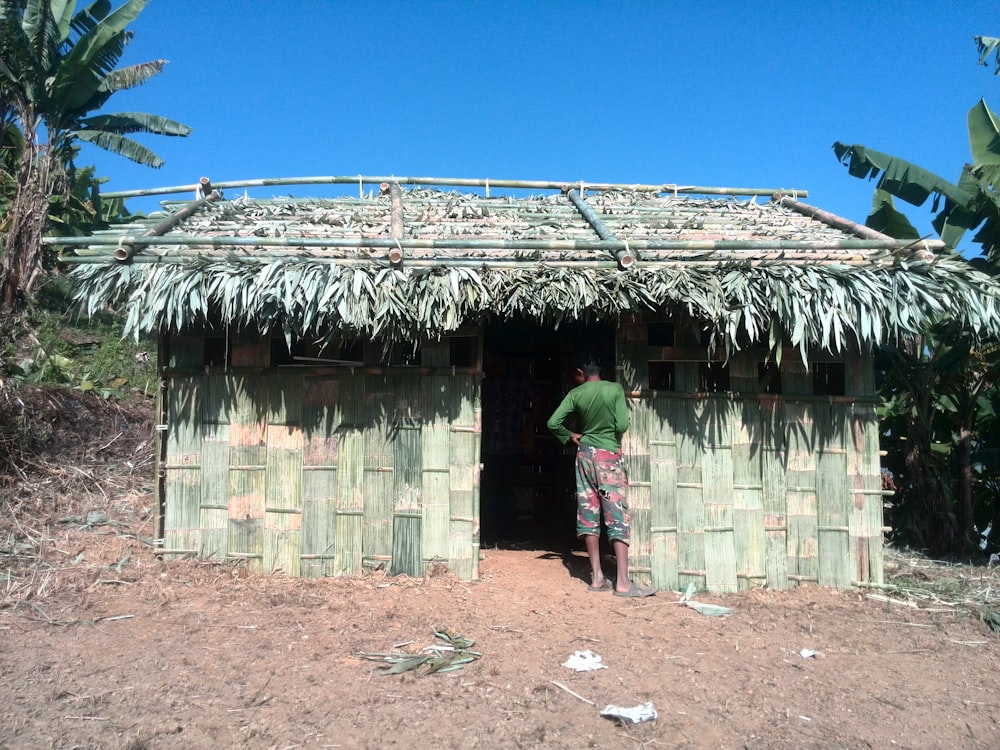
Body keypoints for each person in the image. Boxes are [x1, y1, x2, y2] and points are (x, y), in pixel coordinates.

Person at [546, 353, 654, 597]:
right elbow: (622, 426)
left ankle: (596, 578)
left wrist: (571, 435)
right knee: (616, 514)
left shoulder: (576, 394)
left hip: (584, 455)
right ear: (599, 370)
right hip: (607, 456)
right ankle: (623, 583)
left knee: (588, 512)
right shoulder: (614, 389)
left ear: (580, 373)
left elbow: (553, 423)